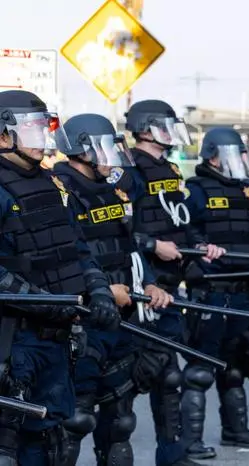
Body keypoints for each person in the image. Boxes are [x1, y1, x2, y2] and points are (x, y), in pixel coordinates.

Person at [0, 90, 121, 464]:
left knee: (48, 440)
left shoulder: (54, 184)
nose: (41, 138)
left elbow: (79, 250)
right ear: (4, 135)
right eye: (31, 129)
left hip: (56, 337)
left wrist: (98, 291)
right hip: (13, 339)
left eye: (43, 128)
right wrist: (44, 301)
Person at [53, 113, 174, 465]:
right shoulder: (61, 191)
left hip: (123, 314)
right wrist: (102, 291)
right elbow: (65, 257)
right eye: (104, 149)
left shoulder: (112, 191)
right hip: (84, 318)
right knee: (76, 418)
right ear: (82, 150)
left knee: (120, 419)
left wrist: (149, 282)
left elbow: (128, 248)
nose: (113, 157)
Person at [124, 99, 225, 466]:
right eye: (164, 125)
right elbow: (116, 231)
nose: (171, 132)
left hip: (169, 286)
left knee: (169, 377)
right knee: (120, 387)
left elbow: (178, 219)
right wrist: (153, 245)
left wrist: (198, 246)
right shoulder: (128, 169)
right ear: (145, 128)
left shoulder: (169, 169)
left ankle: (172, 456)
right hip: (137, 288)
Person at [181, 128, 249, 459]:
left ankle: (236, 430)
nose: (237, 160)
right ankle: (189, 441)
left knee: (235, 366)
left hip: (243, 291)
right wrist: (200, 249)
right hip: (211, 291)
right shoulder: (195, 190)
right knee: (201, 369)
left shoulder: (246, 191)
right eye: (231, 154)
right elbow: (184, 233)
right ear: (212, 156)